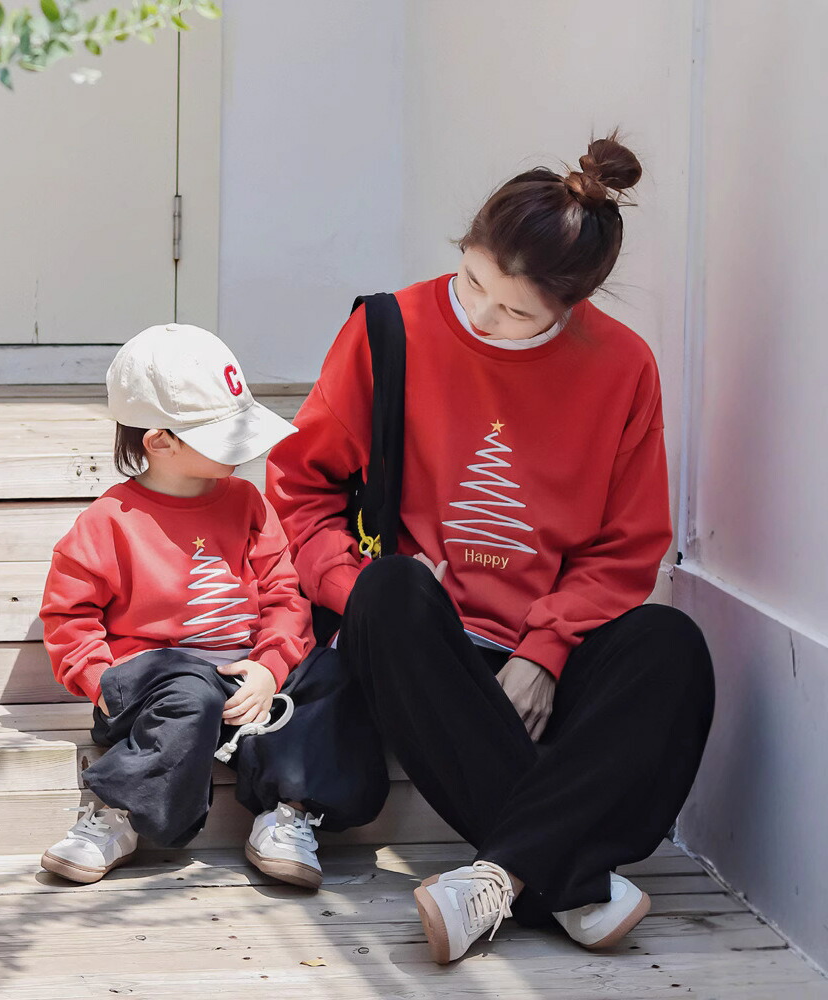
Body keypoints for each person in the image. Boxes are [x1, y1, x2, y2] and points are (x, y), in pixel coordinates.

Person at [266, 133, 716, 960]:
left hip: (539, 652)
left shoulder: (623, 368)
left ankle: (500, 876)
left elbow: (627, 546)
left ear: (573, 305)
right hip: (415, 638)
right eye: (471, 281)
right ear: (465, 245)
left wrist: (545, 649)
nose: (480, 316)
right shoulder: (390, 329)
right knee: (391, 589)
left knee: (670, 646)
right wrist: (354, 586)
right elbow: (303, 488)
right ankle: (573, 881)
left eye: (514, 311)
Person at [39, 324, 388, 887]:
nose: (245, 447)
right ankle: (120, 814)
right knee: (189, 690)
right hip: (156, 691)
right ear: (160, 442)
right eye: (223, 435)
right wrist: (102, 684)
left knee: (334, 671)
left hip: (244, 684)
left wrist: (270, 667)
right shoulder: (108, 522)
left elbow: (283, 594)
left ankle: (288, 813)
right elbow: (69, 617)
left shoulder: (248, 503)